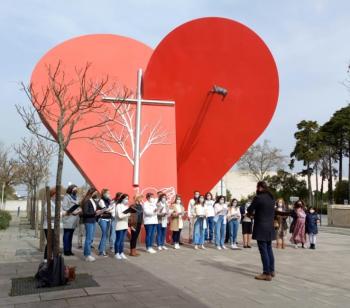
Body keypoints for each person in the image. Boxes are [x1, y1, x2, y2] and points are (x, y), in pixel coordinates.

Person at [248, 181, 276, 281]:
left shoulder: (258, 198)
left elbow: (250, 209)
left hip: (261, 227)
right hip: (270, 227)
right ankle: (272, 270)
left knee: (263, 250)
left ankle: (266, 273)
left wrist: (252, 213)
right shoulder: (272, 198)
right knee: (269, 249)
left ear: (259, 187)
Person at [82, 188, 102, 262]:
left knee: (91, 238)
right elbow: (86, 213)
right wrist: (95, 213)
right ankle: (87, 255)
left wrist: (99, 212)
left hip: (93, 220)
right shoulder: (87, 200)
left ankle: (88, 254)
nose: (96, 194)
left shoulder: (93, 200)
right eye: (95, 193)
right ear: (92, 192)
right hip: (88, 221)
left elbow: (93, 210)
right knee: (88, 238)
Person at [62, 184, 81, 256]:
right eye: (74, 189)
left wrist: (79, 210)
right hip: (68, 218)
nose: (76, 190)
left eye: (76, 189)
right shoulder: (66, 197)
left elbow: (78, 205)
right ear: (71, 189)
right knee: (67, 235)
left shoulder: (76, 197)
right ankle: (66, 250)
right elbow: (64, 207)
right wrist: (73, 212)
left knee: (71, 235)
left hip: (74, 220)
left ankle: (69, 250)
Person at [97, 189, 114, 257]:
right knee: (104, 234)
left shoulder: (109, 201)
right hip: (102, 219)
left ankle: (101, 248)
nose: (109, 194)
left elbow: (111, 209)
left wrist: (110, 207)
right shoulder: (101, 200)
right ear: (103, 194)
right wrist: (110, 209)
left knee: (106, 235)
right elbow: (105, 209)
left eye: (109, 193)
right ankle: (101, 251)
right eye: (107, 193)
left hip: (108, 219)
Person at [115, 194, 131, 260]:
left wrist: (129, 214)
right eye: (126, 198)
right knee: (118, 240)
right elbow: (120, 216)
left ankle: (121, 252)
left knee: (122, 240)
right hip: (119, 225)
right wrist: (127, 214)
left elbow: (126, 215)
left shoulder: (126, 206)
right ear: (122, 199)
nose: (127, 200)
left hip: (125, 225)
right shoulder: (118, 206)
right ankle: (117, 253)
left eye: (128, 199)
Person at [42, 187, 56, 262]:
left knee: (52, 242)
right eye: (56, 195)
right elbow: (49, 214)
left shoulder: (54, 203)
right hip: (48, 226)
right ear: (53, 195)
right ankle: (46, 257)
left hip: (53, 226)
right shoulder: (48, 203)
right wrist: (60, 213)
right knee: (50, 242)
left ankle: (51, 256)